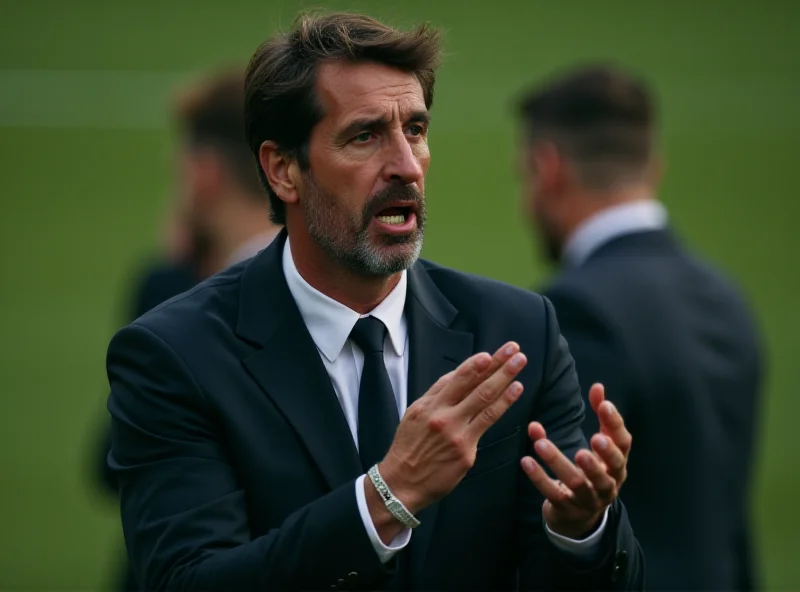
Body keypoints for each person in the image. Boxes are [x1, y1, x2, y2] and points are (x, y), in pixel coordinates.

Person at [106, 13, 643, 591]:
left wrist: (582, 530)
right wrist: (385, 497)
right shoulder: (177, 355)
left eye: (414, 129)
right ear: (284, 170)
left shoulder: (517, 333)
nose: (407, 166)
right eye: (365, 136)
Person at [516, 64, 763, 590]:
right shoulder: (726, 299)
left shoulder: (576, 308)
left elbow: (559, 503)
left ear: (548, 167)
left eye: (525, 177)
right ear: (653, 164)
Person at [96, 67, 280, 591]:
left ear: (203, 174)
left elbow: (110, 463)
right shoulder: (341, 289)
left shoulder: (169, 297)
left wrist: (168, 273)